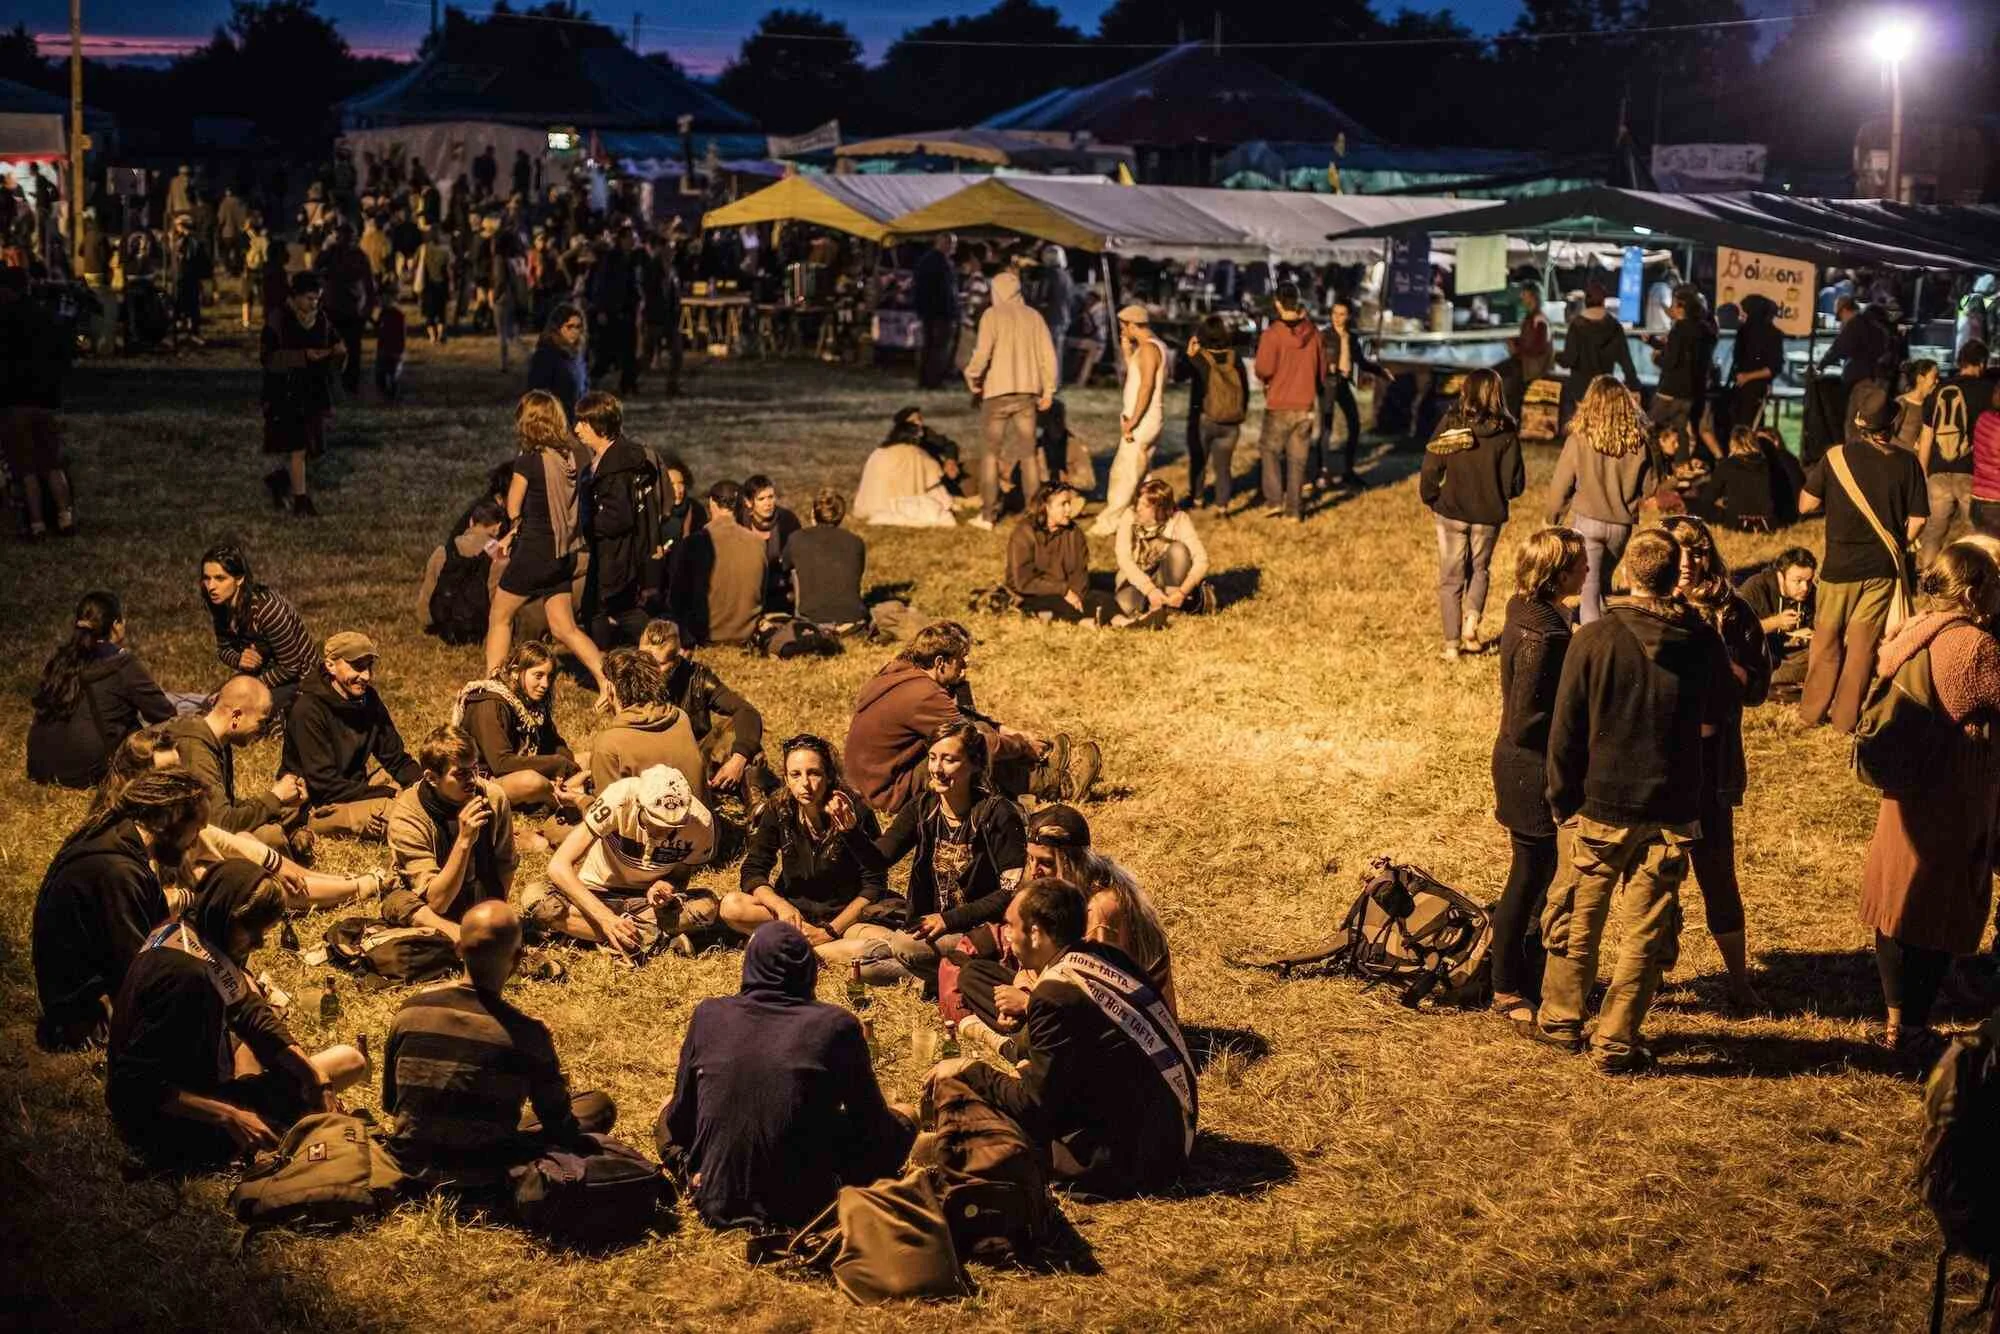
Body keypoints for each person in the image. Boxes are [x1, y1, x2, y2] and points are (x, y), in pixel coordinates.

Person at [1527, 528, 1729, 1074]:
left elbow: (1565, 728)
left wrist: (1560, 798)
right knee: (1647, 928)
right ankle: (1617, 1039)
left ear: (1628, 575)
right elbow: (1716, 720)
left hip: (1600, 804)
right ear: (1672, 577)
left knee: (1577, 914)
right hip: (1670, 808)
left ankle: (1562, 1020)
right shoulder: (1703, 642)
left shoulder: (1594, 639)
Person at [940, 877, 1195, 1199]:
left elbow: (1033, 1105)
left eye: (1011, 925)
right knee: (978, 977)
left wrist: (969, 1069)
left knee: (985, 1112)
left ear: (1035, 933)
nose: (1006, 934)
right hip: (1170, 1132)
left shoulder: (1052, 996)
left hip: (1126, 1160)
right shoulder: (1105, 956)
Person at [105, 861, 367, 1169]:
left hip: (200, 1085)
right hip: (166, 1125)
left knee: (325, 1066)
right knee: (347, 1063)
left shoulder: (186, 934)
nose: (257, 943)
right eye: (252, 931)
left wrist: (313, 1076)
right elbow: (131, 1087)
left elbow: (249, 1011)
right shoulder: (186, 978)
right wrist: (231, 1115)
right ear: (227, 915)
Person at [659, 921, 914, 1230]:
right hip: (806, 1204)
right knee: (904, 1114)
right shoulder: (836, 1025)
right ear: (809, 970)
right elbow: (871, 1121)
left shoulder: (709, 1013)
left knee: (665, 1107)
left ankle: (697, 1175)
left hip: (716, 1198)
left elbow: (681, 1115)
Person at [1857, 544, 2000, 1060]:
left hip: (1906, 790)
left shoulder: (1914, 632)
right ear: (1971, 592)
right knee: (1937, 910)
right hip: (1952, 794)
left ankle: (1897, 1022)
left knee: (1896, 906)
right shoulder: (1974, 647)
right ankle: (1915, 1029)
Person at [383, 900, 617, 1192]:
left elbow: (392, 1103)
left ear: (458, 949)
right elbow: (560, 1126)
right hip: (484, 1173)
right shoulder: (526, 1034)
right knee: (596, 1104)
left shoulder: (409, 1012)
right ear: (518, 958)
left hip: (411, 1167)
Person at [1661, 515, 1771, 1012]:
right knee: (1657, 870)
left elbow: (1759, 689)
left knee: (1716, 871)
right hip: (1657, 761)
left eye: (1697, 551)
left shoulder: (1734, 612)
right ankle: (1655, 967)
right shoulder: (1646, 607)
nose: (1688, 562)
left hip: (1712, 761)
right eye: (1677, 551)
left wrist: (1720, 661)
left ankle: (1739, 980)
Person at [1487, 528, 1587, 1031]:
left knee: (1537, 874)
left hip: (1524, 766)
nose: (1589, 570)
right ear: (1559, 573)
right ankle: (1506, 987)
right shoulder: (1542, 634)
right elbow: (1527, 718)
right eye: (1581, 564)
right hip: (1529, 771)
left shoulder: (1531, 611)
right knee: (1527, 879)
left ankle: (1523, 971)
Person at [32, 769, 207, 1050]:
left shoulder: (116, 835)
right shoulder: (118, 872)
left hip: (91, 996)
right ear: (169, 820)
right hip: (85, 1019)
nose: (195, 842)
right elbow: (138, 974)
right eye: (196, 829)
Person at [843, 621, 1087, 813]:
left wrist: (1003, 729)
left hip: (873, 781)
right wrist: (1023, 746)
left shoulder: (900, 673)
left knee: (980, 732)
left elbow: (958, 716)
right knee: (970, 751)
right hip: (888, 791)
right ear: (940, 662)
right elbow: (974, 740)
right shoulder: (923, 694)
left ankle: (1041, 768)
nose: (965, 668)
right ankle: (1058, 784)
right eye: (960, 661)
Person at [1798, 384, 1928, 731]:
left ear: (1860, 424)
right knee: (1862, 647)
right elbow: (1918, 520)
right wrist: (1898, 543)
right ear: (1892, 426)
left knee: (1826, 641)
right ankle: (1845, 720)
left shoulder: (1836, 458)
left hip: (1839, 567)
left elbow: (1805, 504)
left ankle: (1811, 713)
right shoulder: (1908, 463)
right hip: (1882, 569)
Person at [861, 722, 1027, 985]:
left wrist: (949, 920)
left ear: (974, 765)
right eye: (933, 758)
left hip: (982, 931)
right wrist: (850, 832)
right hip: (936, 928)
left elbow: (1011, 892)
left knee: (905, 947)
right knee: (868, 966)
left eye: (949, 760)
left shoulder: (997, 814)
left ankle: (965, 972)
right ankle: (947, 974)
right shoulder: (923, 807)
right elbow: (879, 859)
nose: (936, 769)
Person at [719, 734, 899, 953]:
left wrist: (829, 931)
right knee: (731, 906)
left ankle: (798, 947)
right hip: (795, 916)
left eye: (814, 773)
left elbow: (874, 885)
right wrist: (782, 906)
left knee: (886, 943)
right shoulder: (778, 808)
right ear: (786, 778)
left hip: (845, 918)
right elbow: (753, 869)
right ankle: (811, 946)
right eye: (795, 774)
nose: (805, 783)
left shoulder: (854, 810)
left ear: (829, 776)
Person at [484, 390, 607, 695]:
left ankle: (493, 685)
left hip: (534, 552)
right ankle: (609, 680)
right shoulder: (576, 455)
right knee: (564, 628)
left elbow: (513, 507)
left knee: (500, 617)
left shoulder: (529, 460)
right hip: (563, 553)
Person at [523, 764, 719, 956]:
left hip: (647, 904)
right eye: (655, 822)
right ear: (639, 804)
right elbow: (558, 866)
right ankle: (651, 938)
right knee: (534, 898)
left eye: (673, 826)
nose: (664, 832)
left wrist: (667, 884)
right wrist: (605, 917)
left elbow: (681, 874)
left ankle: (598, 935)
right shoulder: (619, 797)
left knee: (708, 906)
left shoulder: (701, 823)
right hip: (597, 892)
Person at [1420, 367, 1524, 657]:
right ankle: (1472, 621)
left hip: (1451, 510)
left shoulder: (1453, 424)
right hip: (1488, 515)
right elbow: (1515, 483)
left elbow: (1431, 465)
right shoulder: (1506, 431)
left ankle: (1452, 645)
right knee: (1480, 570)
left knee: (1450, 578)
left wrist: (1431, 497)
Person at [383, 725, 519, 941]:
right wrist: (464, 841)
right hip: (428, 901)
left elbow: (506, 862)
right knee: (399, 903)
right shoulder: (408, 816)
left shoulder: (493, 797)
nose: (472, 780)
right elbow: (438, 902)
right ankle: (459, 936)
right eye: (461, 774)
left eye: (475, 769)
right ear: (432, 778)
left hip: (476, 891)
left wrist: (497, 912)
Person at [281, 632, 421, 840]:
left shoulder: (368, 699)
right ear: (330, 666)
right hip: (320, 804)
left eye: (369, 667)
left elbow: (396, 759)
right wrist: (388, 794)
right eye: (357, 667)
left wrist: (424, 788)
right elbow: (325, 786)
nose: (366, 676)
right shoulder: (308, 710)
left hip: (354, 789)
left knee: (426, 783)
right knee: (404, 818)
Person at [27, 590, 175, 788]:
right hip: (85, 772)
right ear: (115, 625)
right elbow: (163, 713)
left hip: (40, 767)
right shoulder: (122, 663)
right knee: (172, 747)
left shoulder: (60, 660)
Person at [1546, 376, 1659, 624]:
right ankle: (1608, 636)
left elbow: (1560, 485)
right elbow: (1651, 487)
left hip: (1587, 524)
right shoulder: (1639, 444)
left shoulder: (1579, 440)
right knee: (1602, 586)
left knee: (1589, 594)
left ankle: (1593, 647)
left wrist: (1551, 521)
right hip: (1621, 527)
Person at [962, 269, 1058, 531]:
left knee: (991, 455)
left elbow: (982, 354)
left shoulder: (992, 316)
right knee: (1028, 455)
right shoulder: (1034, 316)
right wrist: (1048, 390)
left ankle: (988, 515)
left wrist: (971, 376)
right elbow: (1048, 355)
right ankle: (1034, 512)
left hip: (996, 393)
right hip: (1027, 393)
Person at [164, 676, 304, 850]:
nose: (263, 730)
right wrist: (275, 797)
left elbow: (225, 805)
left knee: (285, 814)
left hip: (195, 830)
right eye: (261, 722)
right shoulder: (196, 751)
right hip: (176, 844)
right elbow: (221, 824)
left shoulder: (218, 741)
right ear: (236, 716)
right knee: (269, 835)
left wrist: (280, 802)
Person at [453, 640, 585, 817]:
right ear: (516, 672)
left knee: (587, 759)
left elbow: (553, 743)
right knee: (531, 781)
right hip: (483, 781)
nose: (545, 684)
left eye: (549, 676)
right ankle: (571, 803)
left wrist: (568, 763)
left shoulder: (530, 701)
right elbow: (501, 764)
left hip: (520, 766)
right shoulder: (489, 704)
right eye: (538, 676)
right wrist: (558, 764)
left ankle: (560, 793)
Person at [639, 620, 768, 800]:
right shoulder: (633, 678)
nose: (652, 670)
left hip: (695, 756)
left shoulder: (696, 677)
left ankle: (757, 806)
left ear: (678, 658)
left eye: (661, 664)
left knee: (745, 739)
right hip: (650, 763)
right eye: (645, 661)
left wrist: (739, 759)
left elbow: (746, 712)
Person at [572, 391, 654, 648]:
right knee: (613, 607)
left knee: (601, 609)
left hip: (615, 554)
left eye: (582, 423)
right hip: (615, 553)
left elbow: (619, 517)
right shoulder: (610, 460)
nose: (576, 429)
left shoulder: (615, 467)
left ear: (599, 426)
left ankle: (611, 664)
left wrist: (583, 528)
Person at [0, 263, 77, 538]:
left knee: (26, 467)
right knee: (52, 462)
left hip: (15, 401)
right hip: (46, 400)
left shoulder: (5, 319)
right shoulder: (46, 316)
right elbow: (64, 353)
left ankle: (36, 523)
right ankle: (65, 516)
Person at [259, 270, 341, 517]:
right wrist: (302, 356)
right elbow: (268, 357)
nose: (313, 304)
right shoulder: (279, 320)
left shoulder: (322, 320)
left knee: (308, 448)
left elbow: (335, 344)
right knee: (298, 447)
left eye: (317, 299)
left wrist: (338, 352)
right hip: (284, 392)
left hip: (312, 391)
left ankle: (280, 480)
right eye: (308, 298)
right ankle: (301, 501)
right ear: (294, 297)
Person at [199, 541, 317, 714]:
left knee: (239, 712)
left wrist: (247, 689)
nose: (211, 587)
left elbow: (291, 667)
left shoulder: (267, 609)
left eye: (220, 578)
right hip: (262, 674)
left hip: (299, 680)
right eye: (207, 578)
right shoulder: (220, 604)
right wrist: (240, 660)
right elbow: (224, 649)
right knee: (208, 708)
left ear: (239, 579)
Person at [588, 646, 705, 799]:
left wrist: (580, 800)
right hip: (699, 819)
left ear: (610, 689)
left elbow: (608, 818)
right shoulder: (680, 718)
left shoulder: (608, 745)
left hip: (650, 821)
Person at [1255, 281, 1328, 521]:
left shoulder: (1272, 335)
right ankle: (1294, 510)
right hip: (1305, 404)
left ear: (1277, 303)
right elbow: (1322, 371)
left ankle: (1275, 500)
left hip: (1279, 403)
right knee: (1298, 461)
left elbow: (1263, 368)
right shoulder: (1314, 333)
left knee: (1270, 451)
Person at [1090, 305, 1165, 537]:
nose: (1123, 330)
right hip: (1144, 418)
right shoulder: (1147, 348)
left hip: (1142, 421)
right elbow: (1136, 376)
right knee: (1141, 473)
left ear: (1133, 325)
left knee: (1124, 473)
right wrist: (1126, 352)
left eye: (1124, 326)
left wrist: (1133, 420)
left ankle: (1109, 522)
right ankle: (1146, 515)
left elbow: (1146, 386)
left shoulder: (1149, 350)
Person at [1916, 342, 1994, 566]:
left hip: (1938, 473)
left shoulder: (1938, 392)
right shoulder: (1988, 391)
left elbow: (1926, 438)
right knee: (1976, 534)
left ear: (1960, 362)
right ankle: (1972, 578)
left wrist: (1923, 472)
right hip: (1971, 473)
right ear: (1981, 363)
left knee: (1933, 532)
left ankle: (1928, 576)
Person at [1007, 482, 1121, 626]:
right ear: (1046, 507)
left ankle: (1125, 622)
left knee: (1103, 599)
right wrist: (1063, 591)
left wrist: (1077, 597)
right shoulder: (1024, 534)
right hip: (1035, 593)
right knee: (1049, 603)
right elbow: (1023, 581)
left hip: (1069, 593)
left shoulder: (1074, 533)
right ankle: (1083, 621)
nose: (1069, 509)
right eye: (1063, 504)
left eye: (1069, 503)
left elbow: (1080, 575)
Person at [668, 480, 766, 647]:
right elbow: (761, 593)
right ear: (741, 505)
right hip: (745, 634)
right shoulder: (758, 542)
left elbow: (677, 598)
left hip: (705, 635)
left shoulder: (694, 542)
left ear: (712, 502)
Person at [1114, 478, 1212, 624]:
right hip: (1138, 580)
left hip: (1169, 580)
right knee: (1124, 606)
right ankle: (1157, 607)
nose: (1138, 508)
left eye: (1145, 505)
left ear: (1159, 508)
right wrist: (1150, 590)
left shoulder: (1179, 519)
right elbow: (1124, 559)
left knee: (1178, 550)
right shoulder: (1129, 516)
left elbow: (1202, 560)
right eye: (1138, 502)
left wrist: (1182, 592)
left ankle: (1172, 606)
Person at [1319, 299, 1386, 490]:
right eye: (1335, 314)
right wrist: (1327, 368)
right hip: (1328, 384)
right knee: (1326, 427)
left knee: (1354, 424)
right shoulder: (1324, 336)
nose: (1338, 318)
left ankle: (1348, 469)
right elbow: (1316, 359)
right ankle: (1322, 470)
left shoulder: (1351, 337)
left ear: (1348, 316)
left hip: (1343, 384)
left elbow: (1361, 361)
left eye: (1342, 314)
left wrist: (1380, 371)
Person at [419, 498, 507, 643]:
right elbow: (497, 596)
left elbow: (428, 593)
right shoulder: (498, 553)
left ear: (471, 522)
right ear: (497, 527)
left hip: (445, 627)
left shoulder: (444, 550)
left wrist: (429, 625)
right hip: (481, 630)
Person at [783, 487, 869, 631]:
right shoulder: (856, 542)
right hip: (853, 619)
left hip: (812, 619)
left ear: (813, 513)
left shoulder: (797, 538)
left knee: (794, 570)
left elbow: (784, 567)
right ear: (841, 515)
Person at [1184, 315, 1247, 511]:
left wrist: (1189, 354)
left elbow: (1178, 375)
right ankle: (1222, 505)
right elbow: (1244, 389)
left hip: (1205, 418)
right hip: (1231, 422)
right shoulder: (1235, 358)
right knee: (1224, 467)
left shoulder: (1199, 359)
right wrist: (1239, 413)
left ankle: (1198, 498)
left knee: (1199, 460)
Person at [1556, 282, 1640, 426]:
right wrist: (1634, 385)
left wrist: (1556, 356)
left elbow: (1569, 360)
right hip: (1604, 387)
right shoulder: (1614, 327)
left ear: (1586, 301)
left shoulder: (1577, 326)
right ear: (1603, 301)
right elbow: (1625, 360)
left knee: (1583, 427)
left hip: (1581, 388)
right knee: (1601, 426)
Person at [1739, 547, 1818, 695]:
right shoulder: (1755, 587)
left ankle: (1772, 681)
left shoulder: (1811, 592)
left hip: (1791, 655)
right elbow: (1735, 629)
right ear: (1781, 576)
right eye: (1798, 581)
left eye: (1809, 581)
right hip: (1760, 654)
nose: (1805, 588)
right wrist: (1775, 623)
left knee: (1824, 654)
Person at [1650, 286, 1715, 466]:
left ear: (1681, 307)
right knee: (1682, 431)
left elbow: (1671, 360)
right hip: (1690, 392)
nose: (1671, 308)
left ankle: (1651, 465)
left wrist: (1657, 358)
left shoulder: (1679, 329)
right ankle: (1682, 468)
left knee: (1650, 426)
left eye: (1674, 304)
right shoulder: (1703, 330)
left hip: (1670, 390)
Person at [313, 223, 375, 398]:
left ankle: (342, 383)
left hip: (344, 308)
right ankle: (344, 383)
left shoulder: (346, 255)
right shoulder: (349, 255)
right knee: (347, 350)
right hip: (341, 308)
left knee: (346, 350)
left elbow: (368, 285)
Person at [1724, 294, 1785, 438]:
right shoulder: (1770, 333)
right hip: (1753, 386)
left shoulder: (1746, 332)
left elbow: (1773, 366)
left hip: (1749, 386)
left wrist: (1746, 376)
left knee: (1745, 428)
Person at [739, 474, 802, 614]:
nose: (768, 503)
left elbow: (798, 560)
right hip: (747, 591)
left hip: (781, 589)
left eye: (771, 497)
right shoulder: (740, 523)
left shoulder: (787, 520)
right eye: (761, 499)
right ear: (748, 502)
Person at [1817, 295, 1899, 397]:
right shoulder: (1873, 321)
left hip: (1860, 378)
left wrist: (1820, 366)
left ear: (1845, 310)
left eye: (1839, 317)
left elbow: (1838, 349)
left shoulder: (1855, 324)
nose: (1841, 321)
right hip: (1882, 375)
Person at [1703, 426, 1777, 530]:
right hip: (1767, 525)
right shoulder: (1769, 465)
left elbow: (1707, 498)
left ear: (1732, 443)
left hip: (1737, 524)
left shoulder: (1727, 465)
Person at [526, 302, 587, 420]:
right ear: (557, 328)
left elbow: (583, 387)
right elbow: (537, 393)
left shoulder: (577, 354)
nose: (575, 331)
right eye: (569, 326)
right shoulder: (546, 355)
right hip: (555, 422)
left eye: (578, 326)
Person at [913, 231, 958, 391]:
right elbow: (945, 291)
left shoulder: (928, 261)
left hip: (930, 311)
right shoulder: (940, 263)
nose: (953, 247)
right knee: (938, 347)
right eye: (951, 244)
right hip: (941, 312)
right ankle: (933, 380)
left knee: (929, 346)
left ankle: (925, 379)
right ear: (942, 243)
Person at [415, 223, 454, 344]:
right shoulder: (445, 251)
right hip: (442, 284)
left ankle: (432, 336)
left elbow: (415, 264)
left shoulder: (423, 249)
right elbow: (450, 269)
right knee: (441, 312)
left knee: (429, 313)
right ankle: (441, 333)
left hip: (428, 285)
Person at [374, 274, 406, 402]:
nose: (382, 302)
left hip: (393, 350)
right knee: (380, 375)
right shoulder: (384, 313)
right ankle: (387, 394)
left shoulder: (397, 315)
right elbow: (378, 328)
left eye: (384, 299)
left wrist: (400, 350)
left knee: (393, 375)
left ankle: (392, 395)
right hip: (383, 349)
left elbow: (401, 334)